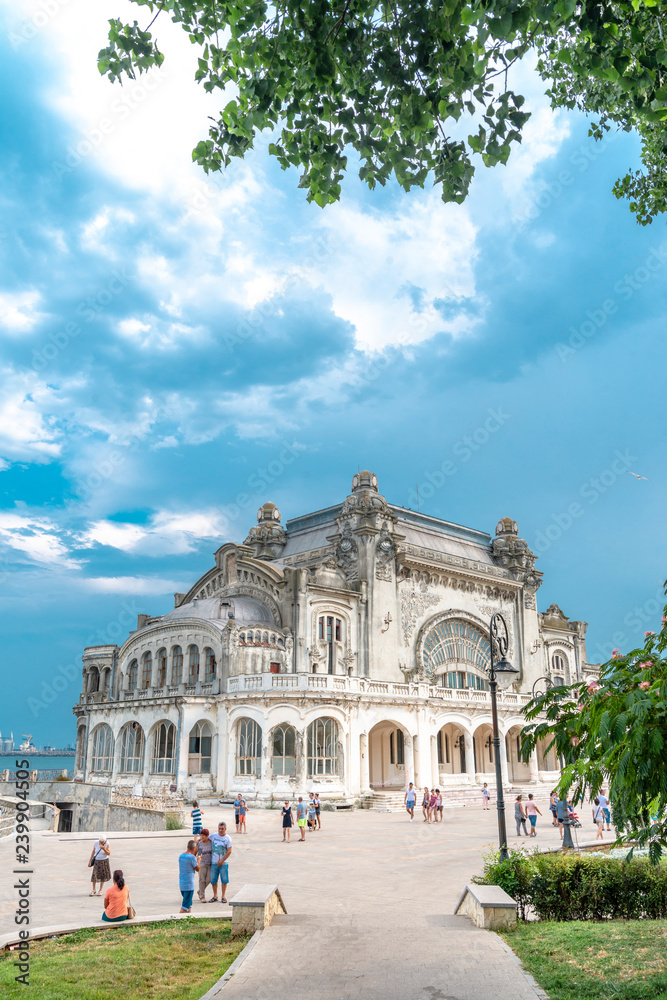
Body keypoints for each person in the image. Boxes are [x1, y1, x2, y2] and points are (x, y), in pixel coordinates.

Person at [209, 821, 232, 902]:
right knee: (213, 880)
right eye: (219, 828)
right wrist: (199, 840)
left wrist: (222, 860)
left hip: (223, 863)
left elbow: (229, 851)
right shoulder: (213, 836)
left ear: (225, 829)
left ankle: (223, 896)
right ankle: (215, 895)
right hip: (214, 862)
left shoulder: (228, 838)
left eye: (222, 829)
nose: (220, 830)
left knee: (224, 880)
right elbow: (206, 839)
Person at [178, 839, 200, 913]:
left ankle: (189, 919)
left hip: (182, 885)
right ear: (194, 848)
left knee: (189, 905)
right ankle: (177, 919)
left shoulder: (181, 856)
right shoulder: (192, 858)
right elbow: (197, 869)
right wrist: (198, 860)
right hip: (189, 885)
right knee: (184, 908)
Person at [196, 829, 212, 902]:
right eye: (201, 835)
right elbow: (197, 852)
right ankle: (202, 896)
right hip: (202, 863)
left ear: (207, 836)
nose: (202, 837)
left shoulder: (211, 842)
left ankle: (200, 890)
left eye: (204, 835)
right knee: (202, 880)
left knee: (209, 879)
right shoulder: (199, 843)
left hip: (210, 863)